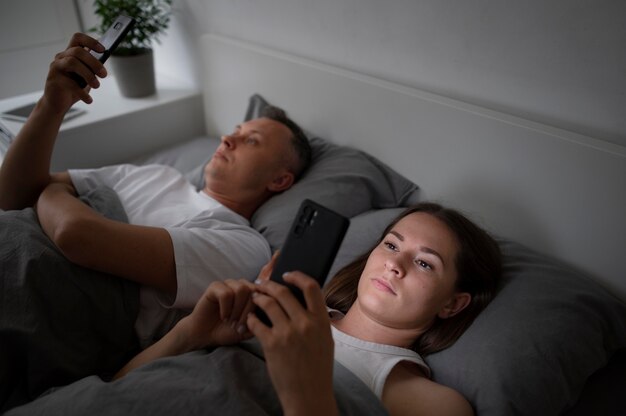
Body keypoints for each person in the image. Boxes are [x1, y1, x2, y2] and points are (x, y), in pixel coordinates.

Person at [0, 33, 310, 410]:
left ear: (280, 180)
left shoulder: (242, 244)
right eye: (235, 131)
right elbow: (13, 197)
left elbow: (77, 235)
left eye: (252, 141)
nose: (228, 138)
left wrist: (50, 193)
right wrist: (51, 105)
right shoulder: (154, 175)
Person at [113, 202, 502, 415]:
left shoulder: (429, 402)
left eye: (424, 263)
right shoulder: (278, 313)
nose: (394, 264)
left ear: (453, 304)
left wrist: (305, 388)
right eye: (391, 245)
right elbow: (117, 390)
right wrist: (190, 334)